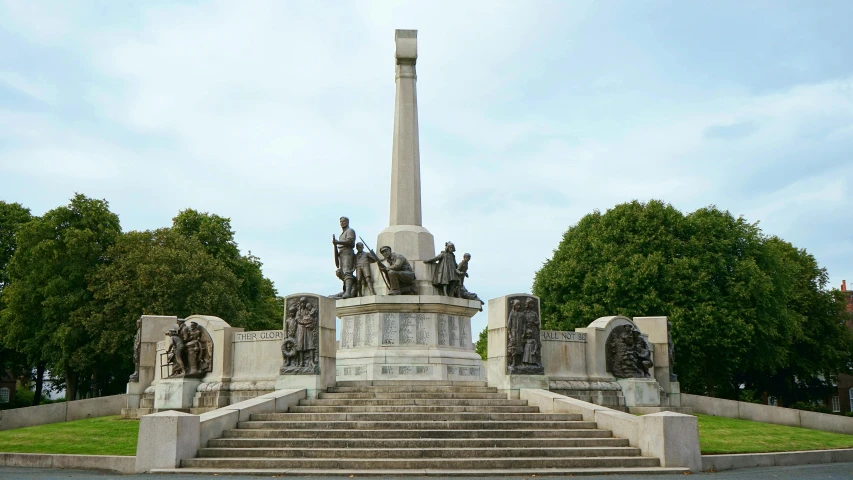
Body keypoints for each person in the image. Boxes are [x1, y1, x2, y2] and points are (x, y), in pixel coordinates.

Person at [332, 217, 357, 298]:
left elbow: (350, 241)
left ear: (347, 222)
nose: (342, 223)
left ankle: (348, 292)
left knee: (347, 271)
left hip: (348, 252)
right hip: (342, 253)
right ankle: (347, 289)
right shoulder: (341, 234)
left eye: (344, 221)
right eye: (341, 222)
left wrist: (337, 242)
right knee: (340, 272)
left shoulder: (350, 231)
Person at [506, 299, 524, 369]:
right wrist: (510, 334)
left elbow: (524, 324)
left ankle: (521, 362)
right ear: (514, 306)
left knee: (520, 348)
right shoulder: (512, 314)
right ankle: (513, 362)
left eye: (519, 305)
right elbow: (509, 325)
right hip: (514, 333)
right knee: (514, 348)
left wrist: (523, 333)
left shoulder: (521, 314)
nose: (518, 306)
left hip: (520, 333)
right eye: (517, 305)